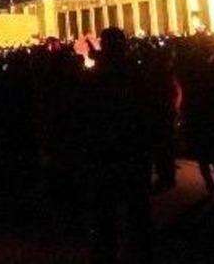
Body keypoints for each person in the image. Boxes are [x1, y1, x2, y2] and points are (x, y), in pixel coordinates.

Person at [84, 27, 152, 263]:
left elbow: (85, 115)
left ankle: (106, 253)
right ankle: (140, 251)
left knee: (105, 210)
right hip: (135, 149)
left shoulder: (95, 77)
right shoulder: (139, 72)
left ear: (104, 46)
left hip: (104, 152)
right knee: (137, 207)